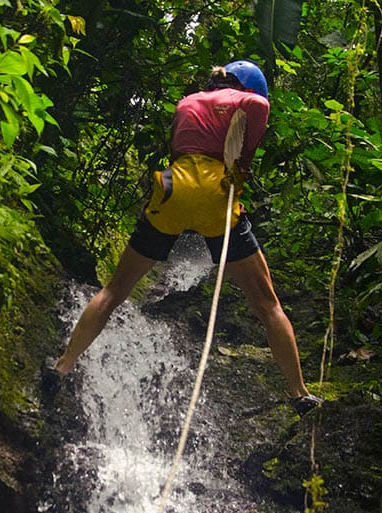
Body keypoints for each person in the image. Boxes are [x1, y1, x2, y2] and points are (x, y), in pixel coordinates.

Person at [49, 60, 323, 417]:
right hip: (215, 196)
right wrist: (243, 163)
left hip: (172, 190)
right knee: (267, 304)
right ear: (249, 86)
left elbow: (180, 149)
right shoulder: (249, 100)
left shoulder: (187, 102)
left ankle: (64, 365)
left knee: (116, 289)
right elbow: (258, 107)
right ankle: (300, 393)